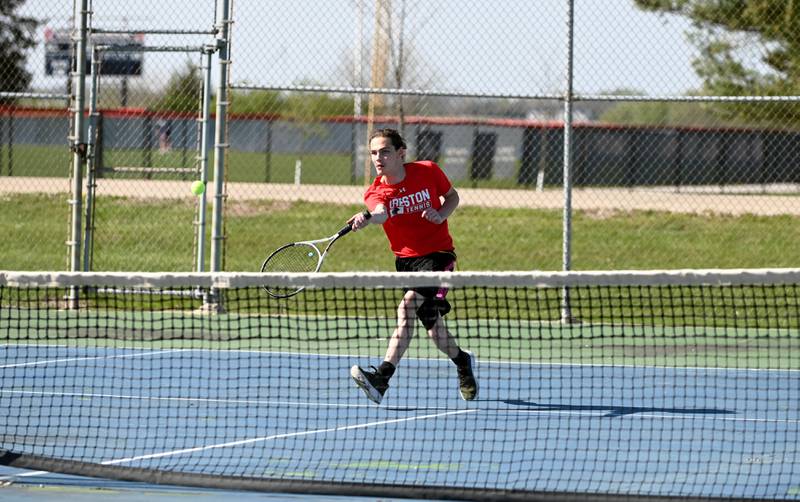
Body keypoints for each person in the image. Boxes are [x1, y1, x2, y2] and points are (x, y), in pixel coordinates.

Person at [347, 128, 477, 404]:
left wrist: (440, 214)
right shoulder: (375, 191)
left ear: (400, 153)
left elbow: (452, 197)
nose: (378, 158)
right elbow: (380, 213)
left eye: (384, 151)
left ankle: (381, 379)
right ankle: (463, 362)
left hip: (439, 257)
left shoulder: (428, 171)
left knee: (406, 308)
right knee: (434, 329)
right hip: (406, 263)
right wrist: (367, 217)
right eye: (373, 153)